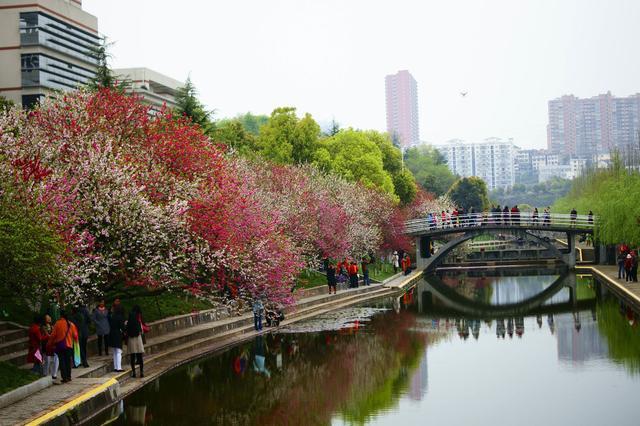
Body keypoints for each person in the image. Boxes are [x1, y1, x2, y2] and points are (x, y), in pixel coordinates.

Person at [46, 310, 78, 383]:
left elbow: (53, 335)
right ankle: (69, 376)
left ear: (61, 315)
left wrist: (49, 344)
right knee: (68, 361)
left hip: (60, 345)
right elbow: (75, 336)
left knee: (62, 361)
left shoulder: (57, 324)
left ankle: (64, 377)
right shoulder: (71, 324)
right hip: (69, 345)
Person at [126, 306, 145, 378]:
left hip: (131, 341)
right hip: (138, 340)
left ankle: (134, 373)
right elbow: (142, 332)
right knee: (140, 357)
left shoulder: (128, 323)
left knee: (132, 358)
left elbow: (126, 332)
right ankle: (141, 372)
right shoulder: (138, 323)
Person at [108, 302, 126, 372]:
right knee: (119, 351)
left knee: (115, 351)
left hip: (112, 333)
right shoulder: (120, 317)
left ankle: (116, 366)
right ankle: (119, 367)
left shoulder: (112, 316)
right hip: (117, 334)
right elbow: (122, 327)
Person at [41, 314, 57, 379]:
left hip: (52, 345)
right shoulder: (43, 327)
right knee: (47, 359)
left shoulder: (52, 326)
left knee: (53, 360)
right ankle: (45, 373)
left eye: (49, 317)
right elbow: (48, 335)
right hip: (46, 344)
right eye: (47, 317)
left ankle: (53, 374)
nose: (49, 318)